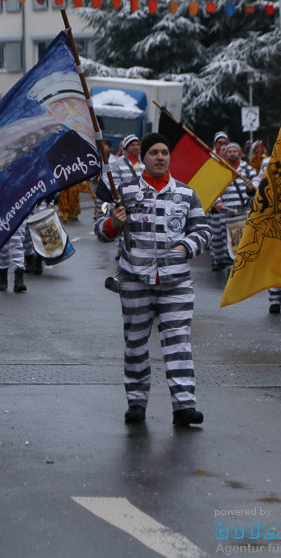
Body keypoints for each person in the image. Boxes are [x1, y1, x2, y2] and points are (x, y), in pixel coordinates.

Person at [96, 133, 209, 426]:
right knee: (135, 343)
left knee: (178, 343)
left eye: (164, 152)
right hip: (135, 280)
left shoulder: (186, 193)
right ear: (143, 158)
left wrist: (186, 246)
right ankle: (136, 402)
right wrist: (113, 223)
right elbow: (101, 228)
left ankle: (184, 406)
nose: (160, 157)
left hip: (176, 283)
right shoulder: (123, 191)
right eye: (154, 153)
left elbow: (202, 230)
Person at [208, 142, 256, 271]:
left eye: (235, 151)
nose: (232, 153)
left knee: (243, 243)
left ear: (239, 153)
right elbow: (213, 188)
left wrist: (251, 189)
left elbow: (257, 190)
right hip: (226, 213)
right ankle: (231, 272)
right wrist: (217, 202)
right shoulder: (220, 169)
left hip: (243, 213)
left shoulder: (248, 170)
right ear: (226, 154)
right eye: (230, 151)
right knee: (228, 243)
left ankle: (241, 270)